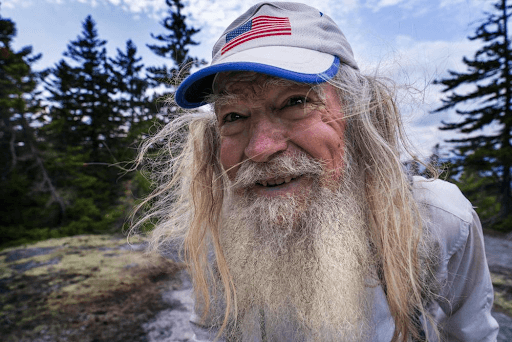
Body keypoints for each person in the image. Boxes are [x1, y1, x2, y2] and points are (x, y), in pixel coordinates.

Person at [134, 2, 499, 341]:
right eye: (234, 117)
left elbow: (472, 333)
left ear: (358, 114)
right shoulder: (220, 231)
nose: (259, 149)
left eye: (296, 102)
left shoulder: (437, 219)